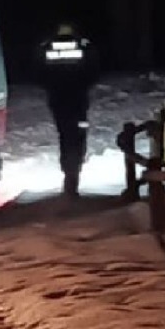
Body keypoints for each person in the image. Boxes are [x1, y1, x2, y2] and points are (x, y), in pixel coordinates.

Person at [38, 23, 100, 198]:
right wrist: (82, 86)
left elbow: (38, 72)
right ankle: (73, 175)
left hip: (58, 100)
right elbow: (94, 70)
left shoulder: (46, 46)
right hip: (78, 100)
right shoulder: (84, 46)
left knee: (64, 135)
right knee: (78, 136)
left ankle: (69, 174)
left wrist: (52, 87)